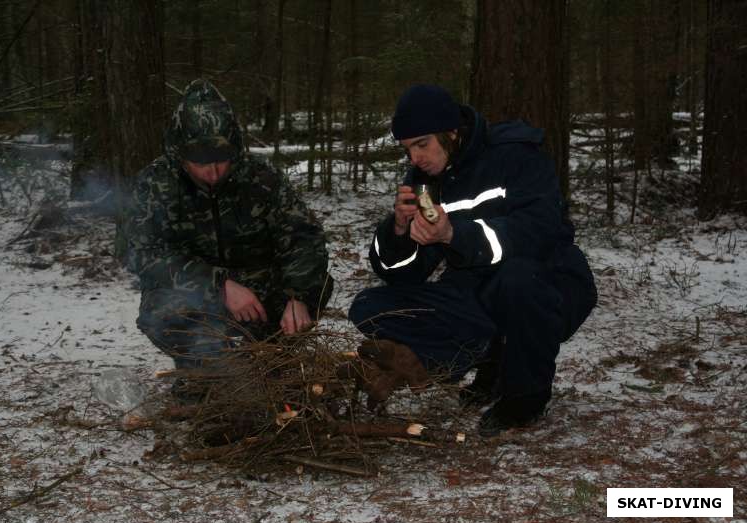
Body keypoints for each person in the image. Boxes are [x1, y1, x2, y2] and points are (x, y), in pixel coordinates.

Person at [348, 84, 597, 437]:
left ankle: (524, 397)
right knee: (370, 306)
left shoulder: (515, 155)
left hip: (551, 282)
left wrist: (453, 235)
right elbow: (405, 275)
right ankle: (484, 357)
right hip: (474, 290)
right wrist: (398, 231)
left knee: (515, 280)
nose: (415, 158)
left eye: (422, 144)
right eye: (407, 149)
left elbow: (540, 232)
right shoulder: (425, 181)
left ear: (451, 132)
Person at [127, 79, 332, 371]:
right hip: (197, 293)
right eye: (200, 161)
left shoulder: (262, 178)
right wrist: (218, 284)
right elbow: (142, 254)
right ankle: (209, 368)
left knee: (316, 288)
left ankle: (273, 359)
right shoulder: (155, 184)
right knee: (161, 309)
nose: (212, 171)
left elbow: (305, 239)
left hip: (262, 289)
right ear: (180, 155)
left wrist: (298, 297)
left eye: (222, 159)